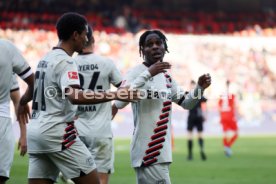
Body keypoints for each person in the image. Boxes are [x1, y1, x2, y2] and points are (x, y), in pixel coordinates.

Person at [17, 12, 139, 184]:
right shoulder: (67, 62)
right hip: (57, 134)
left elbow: (34, 87)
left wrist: (22, 102)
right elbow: (75, 96)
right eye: (84, 34)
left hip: (36, 134)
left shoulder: (45, 59)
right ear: (75, 35)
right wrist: (115, 94)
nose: (86, 38)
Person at [112, 29, 211, 184]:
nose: (155, 47)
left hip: (161, 152)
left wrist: (199, 88)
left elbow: (186, 103)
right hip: (148, 151)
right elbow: (119, 101)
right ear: (142, 50)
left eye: (159, 43)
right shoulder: (135, 73)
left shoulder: (167, 78)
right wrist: (148, 74)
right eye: (149, 44)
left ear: (165, 46)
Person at [73, 25, 122, 184]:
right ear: (93, 39)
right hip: (101, 131)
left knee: (81, 180)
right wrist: (116, 106)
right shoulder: (106, 63)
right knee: (101, 179)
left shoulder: (70, 63)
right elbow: (125, 90)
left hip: (76, 131)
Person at [0, 39, 34, 184]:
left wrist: (23, 134)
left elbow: (16, 100)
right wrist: (25, 100)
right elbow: (33, 82)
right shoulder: (7, 49)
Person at [186, 80, 207, 161]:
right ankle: (201, 150)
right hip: (199, 116)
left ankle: (190, 155)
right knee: (200, 135)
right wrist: (205, 114)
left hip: (191, 116)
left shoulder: (188, 94)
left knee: (190, 136)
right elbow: (205, 102)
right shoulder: (199, 94)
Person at [218, 80, 238, 157]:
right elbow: (234, 106)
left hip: (223, 115)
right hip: (230, 115)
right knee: (236, 133)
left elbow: (219, 107)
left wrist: (221, 116)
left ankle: (226, 148)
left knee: (225, 133)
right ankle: (228, 146)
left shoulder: (222, 95)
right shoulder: (232, 95)